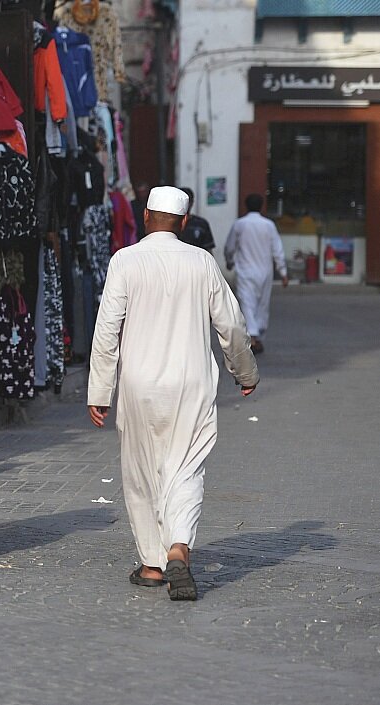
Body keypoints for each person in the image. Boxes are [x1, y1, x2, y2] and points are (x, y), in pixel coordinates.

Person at [88, 186, 259, 601]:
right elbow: (231, 326)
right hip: (192, 383)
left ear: (145, 217)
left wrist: (100, 389)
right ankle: (178, 546)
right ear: (184, 223)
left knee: (141, 470)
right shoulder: (201, 261)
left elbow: (107, 327)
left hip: (139, 384)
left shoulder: (124, 260)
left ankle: (151, 564)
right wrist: (245, 370)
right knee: (186, 467)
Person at [223, 194, 288, 354]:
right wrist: (283, 271)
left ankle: (252, 336)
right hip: (265, 271)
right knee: (262, 304)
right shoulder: (269, 225)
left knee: (247, 303)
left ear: (246, 206)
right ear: (261, 206)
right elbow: (277, 249)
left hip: (245, 270)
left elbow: (230, 247)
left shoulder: (240, 224)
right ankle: (256, 336)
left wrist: (229, 261)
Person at [177, 187, 215, 252]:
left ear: (192, 202)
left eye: (188, 201)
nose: (185, 204)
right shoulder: (170, 223)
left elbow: (208, 250)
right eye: (181, 201)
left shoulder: (201, 224)